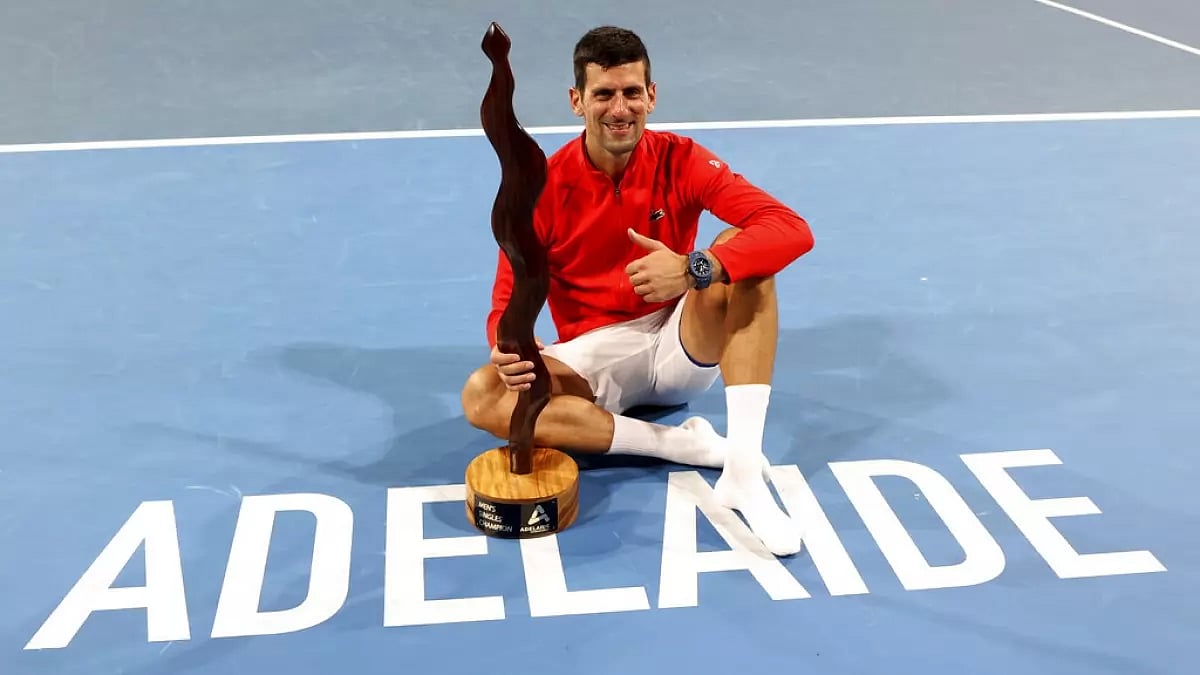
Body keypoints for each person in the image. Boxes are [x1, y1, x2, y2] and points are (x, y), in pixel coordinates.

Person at [460, 26, 814, 556]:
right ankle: (679, 445)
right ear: (577, 101)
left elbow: (790, 228)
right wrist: (504, 346)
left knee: (744, 255)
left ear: (652, 95)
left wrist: (697, 267)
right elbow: (506, 294)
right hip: (593, 359)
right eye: (604, 94)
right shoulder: (542, 186)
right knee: (482, 394)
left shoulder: (683, 159)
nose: (619, 108)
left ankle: (742, 470)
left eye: (631, 92)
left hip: (681, 341)